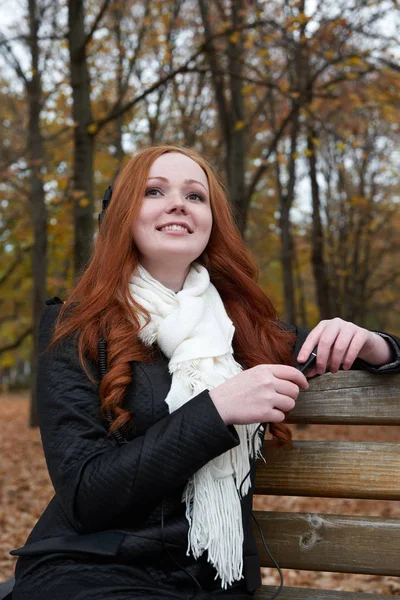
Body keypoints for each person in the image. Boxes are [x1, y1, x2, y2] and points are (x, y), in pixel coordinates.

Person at [11, 145, 400, 600]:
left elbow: (365, 351)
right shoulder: (75, 326)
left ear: (211, 221)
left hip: (212, 578)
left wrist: (374, 343)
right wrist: (215, 410)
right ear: (122, 216)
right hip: (93, 566)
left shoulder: (245, 329)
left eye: (195, 196)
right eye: (154, 191)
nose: (178, 202)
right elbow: (85, 495)